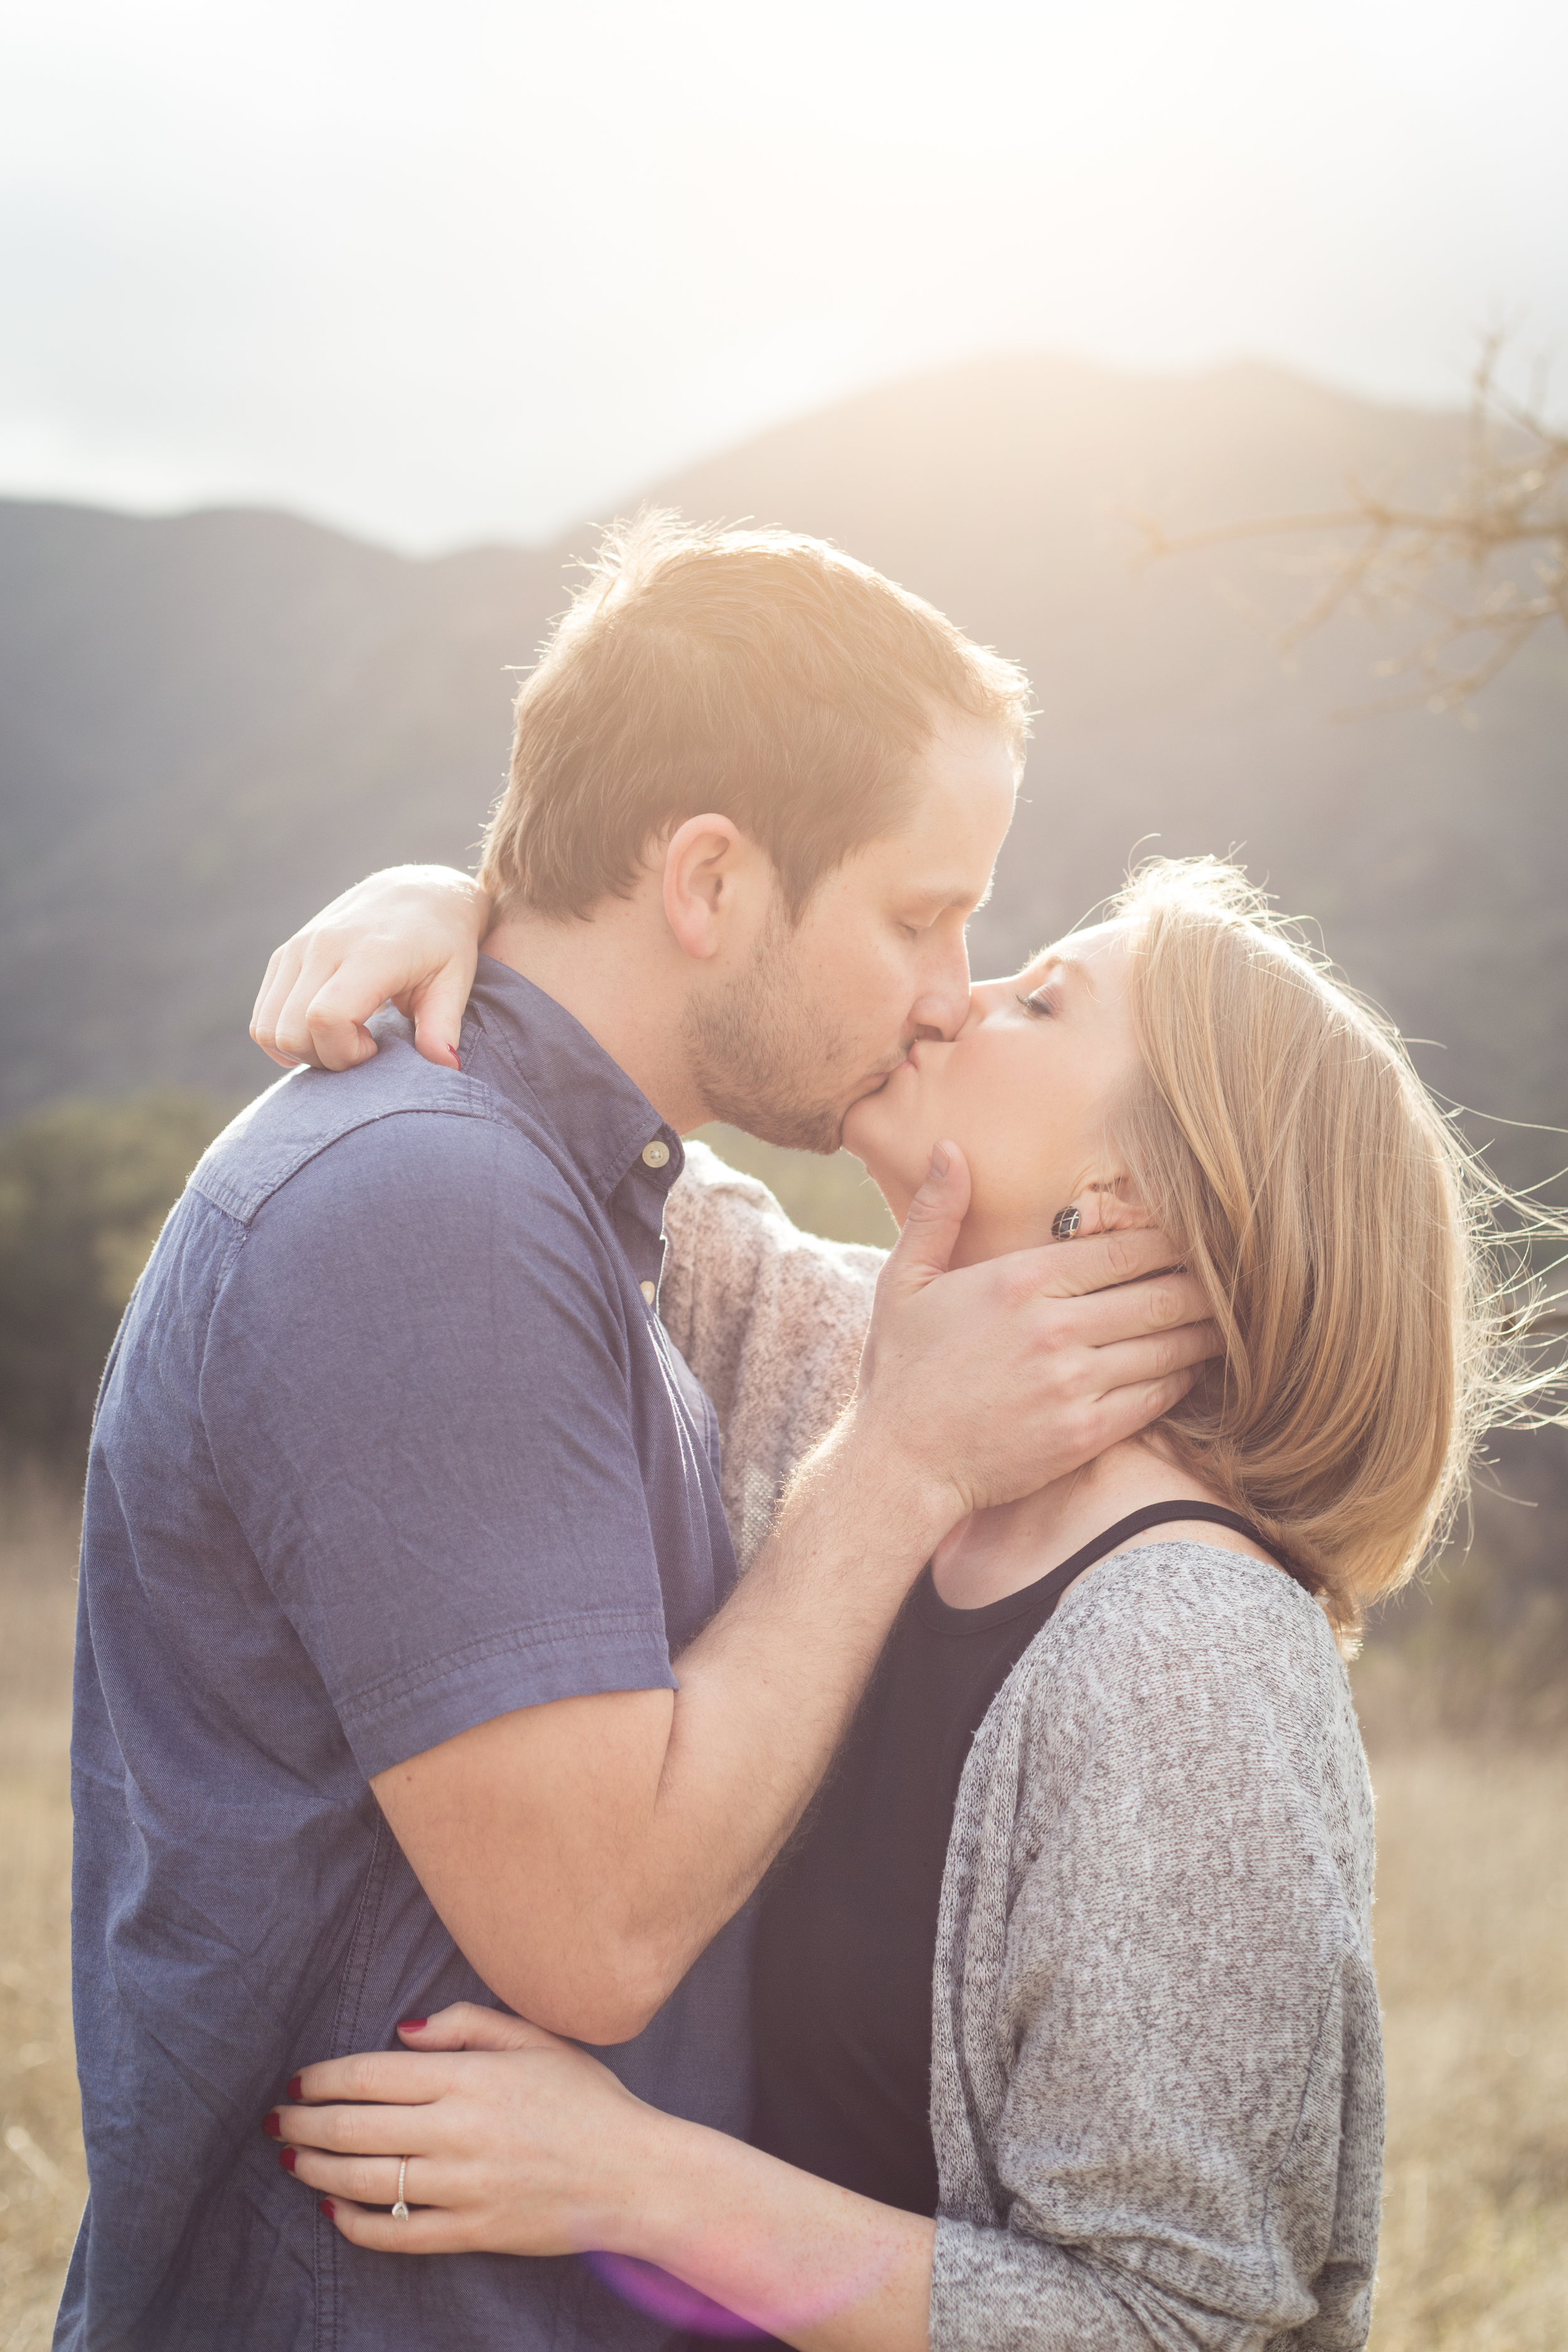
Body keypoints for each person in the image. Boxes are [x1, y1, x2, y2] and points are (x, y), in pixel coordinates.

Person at [60, 517, 1217, 2352]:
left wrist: (467, 901)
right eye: (918, 912)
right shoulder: (425, 1206)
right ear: (705, 880)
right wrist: (902, 1457)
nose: (948, 983)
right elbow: (591, 1931)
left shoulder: (582, 1208)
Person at [260, 854, 1544, 2349]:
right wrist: (463, 903)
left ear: (1132, 1190)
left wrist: (632, 2183)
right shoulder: (843, 1371)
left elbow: (1175, 2324)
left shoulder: (1186, 1657)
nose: (948, 998)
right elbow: (599, 1125)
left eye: (1039, 998)